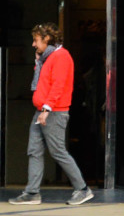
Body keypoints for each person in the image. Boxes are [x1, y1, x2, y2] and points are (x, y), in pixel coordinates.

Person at [9, 24, 93, 206]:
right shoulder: (48, 58)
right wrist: (38, 62)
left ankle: (83, 189)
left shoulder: (61, 56)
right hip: (43, 111)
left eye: (35, 40)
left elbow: (58, 85)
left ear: (46, 39)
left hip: (53, 111)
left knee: (58, 151)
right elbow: (45, 82)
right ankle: (32, 192)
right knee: (34, 151)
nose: (33, 44)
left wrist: (46, 110)